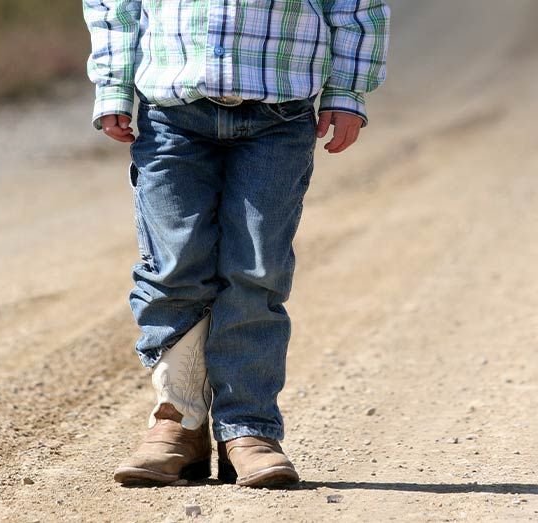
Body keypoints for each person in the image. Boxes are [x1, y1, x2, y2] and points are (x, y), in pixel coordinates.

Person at [83, 0, 390, 488]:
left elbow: (357, 7)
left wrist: (347, 90)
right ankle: (178, 423)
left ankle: (248, 430)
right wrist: (114, 84)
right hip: (171, 114)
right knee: (173, 264)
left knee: (257, 267)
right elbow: (114, 6)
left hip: (279, 117)